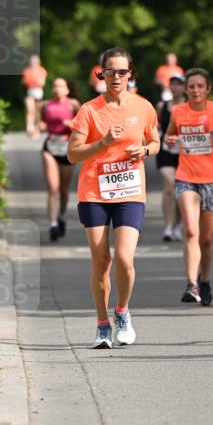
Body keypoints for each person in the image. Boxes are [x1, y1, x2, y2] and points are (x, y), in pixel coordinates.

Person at [67, 47, 160, 349]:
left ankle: (122, 310)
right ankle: (101, 323)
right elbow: (72, 154)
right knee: (101, 260)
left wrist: (145, 150)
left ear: (130, 74)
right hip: (94, 191)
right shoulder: (90, 110)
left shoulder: (144, 107)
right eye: (111, 71)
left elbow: (155, 141)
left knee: (124, 258)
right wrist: (103, 142)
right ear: (102, 73)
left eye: (122, 71)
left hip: (130, 191)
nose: (116, 76)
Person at [165, 67, 213, 305]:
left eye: (200, 86)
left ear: (208, 89)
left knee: (206, 238)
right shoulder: (178, 111)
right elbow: (169, 136)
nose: (195, 90)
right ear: (185, 89)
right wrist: (170, 140)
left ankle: (205, 279)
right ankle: (191, 283)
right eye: (191, 86)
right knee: (191, 231)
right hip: (187, 177)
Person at [38, 78, 80, 241]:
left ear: (67, 90)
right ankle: (53, 224)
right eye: (55, 86)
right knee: (53, 188)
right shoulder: (45, 105)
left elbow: (83, 124)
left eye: (61, 86)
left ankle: (62, 215)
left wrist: (71, 124)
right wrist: (40, 125)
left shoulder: (73, 104)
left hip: (67, 149)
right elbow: (41, 121)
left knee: (63, 190)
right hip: (50, 147)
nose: (57, 89)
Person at [156, 74, 186, 242]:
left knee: (182, 189)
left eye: (179, 84)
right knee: (170, 186)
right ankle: (167, 226)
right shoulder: (163, 106)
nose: (176, 88)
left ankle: (177, 226)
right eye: (173, 84)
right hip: (166, 151)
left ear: (184, 88)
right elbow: (156, 125)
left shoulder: (190, 107)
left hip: (185, 153)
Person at [22, 54, 48, 136]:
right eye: (32, 61)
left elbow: (42, 82)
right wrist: (33, 81)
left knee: (37, 111)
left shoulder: (42, 70)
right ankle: (29, 128)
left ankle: (37, 127)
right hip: (30, 92)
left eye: (35, 61)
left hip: (38, 92)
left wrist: (34, 82)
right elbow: (24, 81)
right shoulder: (27, 71)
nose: (33, 62)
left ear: (38, 62)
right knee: (30, 110)